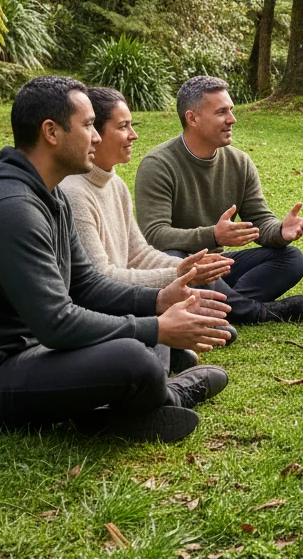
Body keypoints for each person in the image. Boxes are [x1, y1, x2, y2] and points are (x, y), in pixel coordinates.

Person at [0, 76, 234, 444]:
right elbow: (57, 323)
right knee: (135, 357)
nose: (96, 137)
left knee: (136, 343)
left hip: (26, 354)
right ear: (51, 132)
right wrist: (158, 329)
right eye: (87, 126)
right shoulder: (10, 209)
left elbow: (87, 285)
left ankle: (106, 416)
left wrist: (159, 301)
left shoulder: (50, 197)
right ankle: (170, 394)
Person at [61, 86, 237, 373]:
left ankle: (170, 350)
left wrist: (185, 268)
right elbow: (98, 280)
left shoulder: (114, 184)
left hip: (125, 296)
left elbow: (138, 253)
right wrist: (174, 277)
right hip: (104, 307)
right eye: (123, 127)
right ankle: (159, 368)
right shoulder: (74, 192)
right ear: (96, 133)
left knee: (214, 321)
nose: (134, 135)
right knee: (161, 308)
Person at [135, 76, 303, 325]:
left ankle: (218, 307)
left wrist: (280, 231)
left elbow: (259, 221)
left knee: (292, 258)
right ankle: (255, 312)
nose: (232, 119)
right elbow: (154, 235)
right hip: (177, 268)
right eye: (222, 112)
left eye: (230, 110)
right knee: (177, 257)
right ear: (192, 118)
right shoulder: (158, 165)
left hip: (218, 269)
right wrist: (214, 236)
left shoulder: (239, 162)